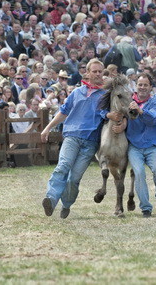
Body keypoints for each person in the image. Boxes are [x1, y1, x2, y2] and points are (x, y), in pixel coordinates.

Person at [40, 59, 120, 219]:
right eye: (95, 71)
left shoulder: (106, 95)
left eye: (100, 72)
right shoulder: (77, 92)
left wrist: (110, 115)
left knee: (74, 178)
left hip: (90, 142)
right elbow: (63, 112)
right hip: (72, 137)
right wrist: (47, 128)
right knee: (63, 166)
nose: (98, 74)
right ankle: (51, 198)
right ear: (87, 73)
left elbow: (105, 113)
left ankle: (67, 204)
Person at [125, 73, 156, 217]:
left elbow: (154, 118)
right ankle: (146, 208)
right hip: (134, 145)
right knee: (138, 173)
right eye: (140, 84)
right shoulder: (128, 101)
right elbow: (114, 110)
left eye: (145, 85)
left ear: (151, 87)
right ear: (136, 86)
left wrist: (140, 111)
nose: (142, 87)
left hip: (152, 145)